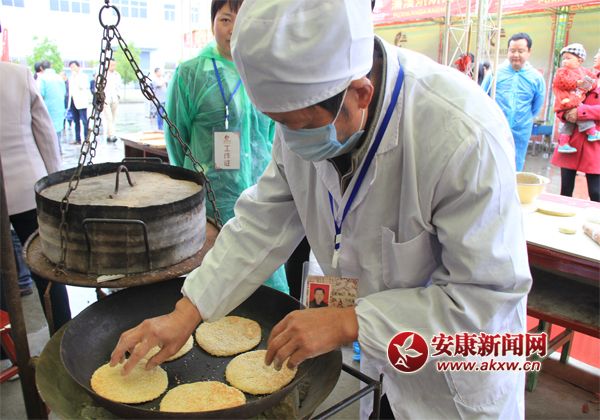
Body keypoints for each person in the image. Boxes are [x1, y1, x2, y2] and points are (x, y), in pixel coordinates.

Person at [111, 1, 531, 418]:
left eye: (300, 125)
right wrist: (187, 313)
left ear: (360, 94)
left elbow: (485, 303)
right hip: (381, 368)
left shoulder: (463, 137)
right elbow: (261, 223)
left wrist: (348, 323)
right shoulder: (302, 116)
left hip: (450, 388)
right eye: (279, 122)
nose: (290, 140)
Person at [164, 0, 287, 293]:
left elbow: (273, 136)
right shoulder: (191, 74)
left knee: (265, 288)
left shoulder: (265, 73)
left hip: (260, 197)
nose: (233, 29)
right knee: (209, 286)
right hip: (210, 203)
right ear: (212, 23)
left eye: (242, 19)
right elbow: (176, 139)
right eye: (225, 19)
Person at [0, 61, 72, 332]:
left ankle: (6, 343)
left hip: (22, 189)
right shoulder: (17, 75)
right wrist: (55, 183)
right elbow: (44, 133)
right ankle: (62, 333)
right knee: (47, 266)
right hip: (26, 185)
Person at [482, 32, 546, 171]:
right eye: (512, 51)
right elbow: (482, 97)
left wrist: (522, 118)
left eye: (520, 51)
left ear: (529, 52)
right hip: (495, 127)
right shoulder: (495, 73)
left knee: (515, 164)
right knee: (491, 165)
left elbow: (536, 106)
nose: (516, 55)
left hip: (521, 130)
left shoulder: (536, 78)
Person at [551, 50, 600, 202]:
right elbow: (564, 98)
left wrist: (581, 112)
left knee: (596, 192)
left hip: (595, 143)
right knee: (565, 189)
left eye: (599, 54)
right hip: (572, 140)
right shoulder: (586, 76)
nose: (595, 56)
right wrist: (564, 114)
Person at [552, 43, 599, 154]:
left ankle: (565, 142)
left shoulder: (584, 72)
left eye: (568, 58)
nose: (564, 61)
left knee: (572, 122)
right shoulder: (562, 71)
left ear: (579, 60)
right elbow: (562, 82)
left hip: (591, 150)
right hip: (568, 102)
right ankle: (591, 132)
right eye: (564, 59)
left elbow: (591, 82)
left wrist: (589, 85)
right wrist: (577, 83)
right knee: (571, 121)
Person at [39, 60, 67, 153]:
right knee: (58, 129)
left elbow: (40, 94)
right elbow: (64, 92)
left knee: (48, 129)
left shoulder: (42, 78)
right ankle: (58, 149)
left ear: (41, 68)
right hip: (59, 107)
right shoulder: (59, 77)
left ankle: (52, 151)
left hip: (48, 107)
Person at [67, 60, 91, 145]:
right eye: (71, 67)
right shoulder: (71, 77)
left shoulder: (83, 76)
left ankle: (86, 139)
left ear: (78, 66)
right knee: (76, 121)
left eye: (73, 66)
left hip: (81, 102)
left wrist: (76, 77)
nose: (72, 69)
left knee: (84, 121)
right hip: (73, 101)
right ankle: (78, 139)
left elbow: (83, 86)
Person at [103, 59, 122, 143]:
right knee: (109, 118)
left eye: (114, 65)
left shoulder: (117, 75)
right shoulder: (103, 75)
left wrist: (118, 96)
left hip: (115, 98)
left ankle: (109, 135)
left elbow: (119, 86)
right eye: (111, 65)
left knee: (113, 118)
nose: (113, 66)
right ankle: (112, 135)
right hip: (106, 98)